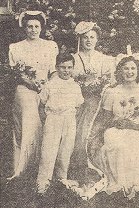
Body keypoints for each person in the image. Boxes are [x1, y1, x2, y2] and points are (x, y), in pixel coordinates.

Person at [68, 56, 139, 201]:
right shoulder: (112, 92)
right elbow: (104, 119)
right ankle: (122, 185)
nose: (129, 72)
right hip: (116, 129)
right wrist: (114, 124)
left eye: (133, 68)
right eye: (126, 68)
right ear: (120, 71)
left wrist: (134, 125)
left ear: (138, 71)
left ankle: (136, 186)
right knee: (118, 145)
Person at [8, 10, 58, 179]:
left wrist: (48, 87)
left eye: (36, 26)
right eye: (30, 26)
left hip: (45, 88)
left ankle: (41, 167)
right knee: (29, 124)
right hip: (25, 89)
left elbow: (53, 71)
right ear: (25, 28)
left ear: (41, 28)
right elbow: (17, 73)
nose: (33, 30)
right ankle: (21, 169)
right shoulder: (16, 47)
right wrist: (31, 83)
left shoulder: (50, 46)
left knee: (49, 123)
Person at [69, 21, 116, 181]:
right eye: (85, 38)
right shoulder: (74, 58)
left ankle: (98, 168)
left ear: (97, 40)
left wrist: (97, 86)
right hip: (79, 103)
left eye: (92, 37)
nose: (89, 41)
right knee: (79, 134)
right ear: (80, 40)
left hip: (99, 103)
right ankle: (79, 167)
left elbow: (109, 83)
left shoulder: (104, 59)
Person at [36, 53, 84, 193]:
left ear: (73, 68)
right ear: (57, 68)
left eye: (69, 67)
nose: (66, 70)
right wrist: (47, 119)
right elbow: (42, 103)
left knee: (66, 150)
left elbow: (78, 105)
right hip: (53, 119)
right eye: (63, 67)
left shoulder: (75, 86)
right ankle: (43, 183)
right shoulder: (50, 84)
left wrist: (71, 117)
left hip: (69, 119)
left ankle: (61, 179)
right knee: (48, 151)